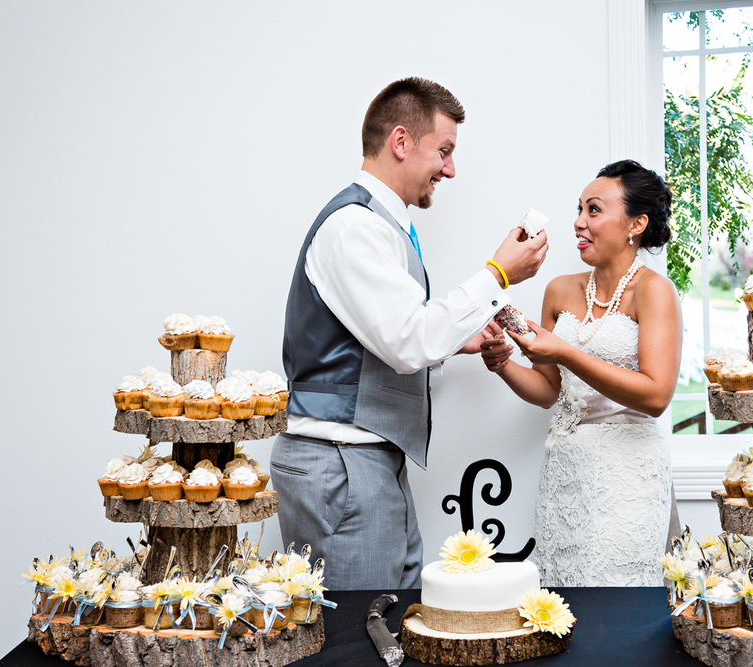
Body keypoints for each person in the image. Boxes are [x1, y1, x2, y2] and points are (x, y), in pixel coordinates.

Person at [275, 77, 549, 590]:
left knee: (391, 618)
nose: (450, 168)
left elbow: (390, 337)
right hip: (343, 464)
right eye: (444, 151)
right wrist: (498, 274)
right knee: (357, 638)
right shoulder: (354, 227)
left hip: (368, 459)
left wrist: (454, 341)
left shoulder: (382, 225)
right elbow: (408, 343)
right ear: (401, 142)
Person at [480, 160, 682, 586]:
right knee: (563, 597)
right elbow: (549, 389)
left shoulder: (654, 291)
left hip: (628, 476)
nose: (578, 223)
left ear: (636, 224)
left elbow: (657, 396)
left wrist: (567, 353)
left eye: (593, 210)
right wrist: (503, 365)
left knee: (617, 601)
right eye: (579, 210)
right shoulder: (560, 290)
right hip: (567, 472)